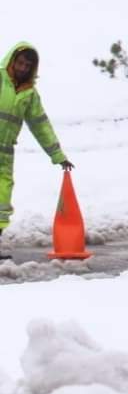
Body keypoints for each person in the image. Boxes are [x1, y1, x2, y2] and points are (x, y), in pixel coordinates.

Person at [0, 43, 73, 260]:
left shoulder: (29, 93)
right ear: (12, 60)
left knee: (2, 202)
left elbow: (41, 126)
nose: (22, 68)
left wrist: (58, 156)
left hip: (5, 155)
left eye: (27, 65)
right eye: (20, 63)